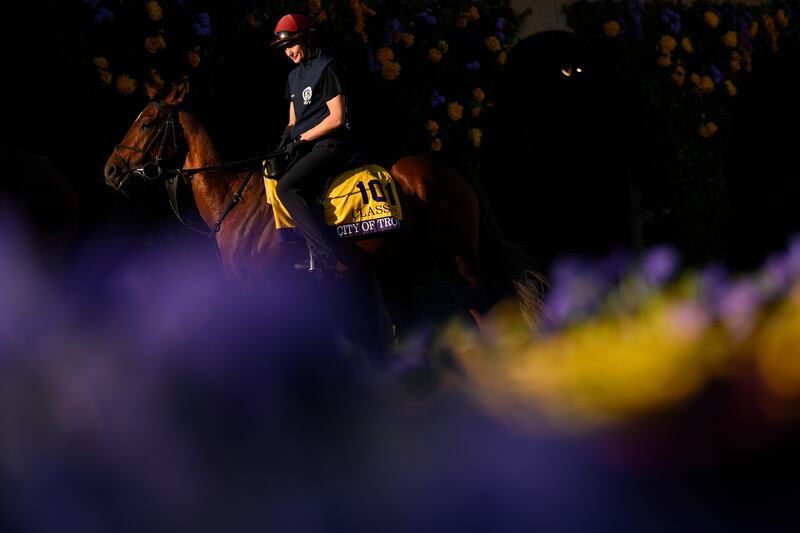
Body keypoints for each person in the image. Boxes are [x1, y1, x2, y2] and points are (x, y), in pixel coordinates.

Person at [271, 13, 354, 278]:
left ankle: (324, 256)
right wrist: (284, 141)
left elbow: (337, 118)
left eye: (292, 44)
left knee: (287, 187)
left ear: (306, 39)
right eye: (285, 47)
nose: (288, 51)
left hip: (331, 145)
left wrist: (302, 139)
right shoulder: (294, 76)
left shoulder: (326, 67)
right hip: (306, 146)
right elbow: (294, 120)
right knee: (271, 176)